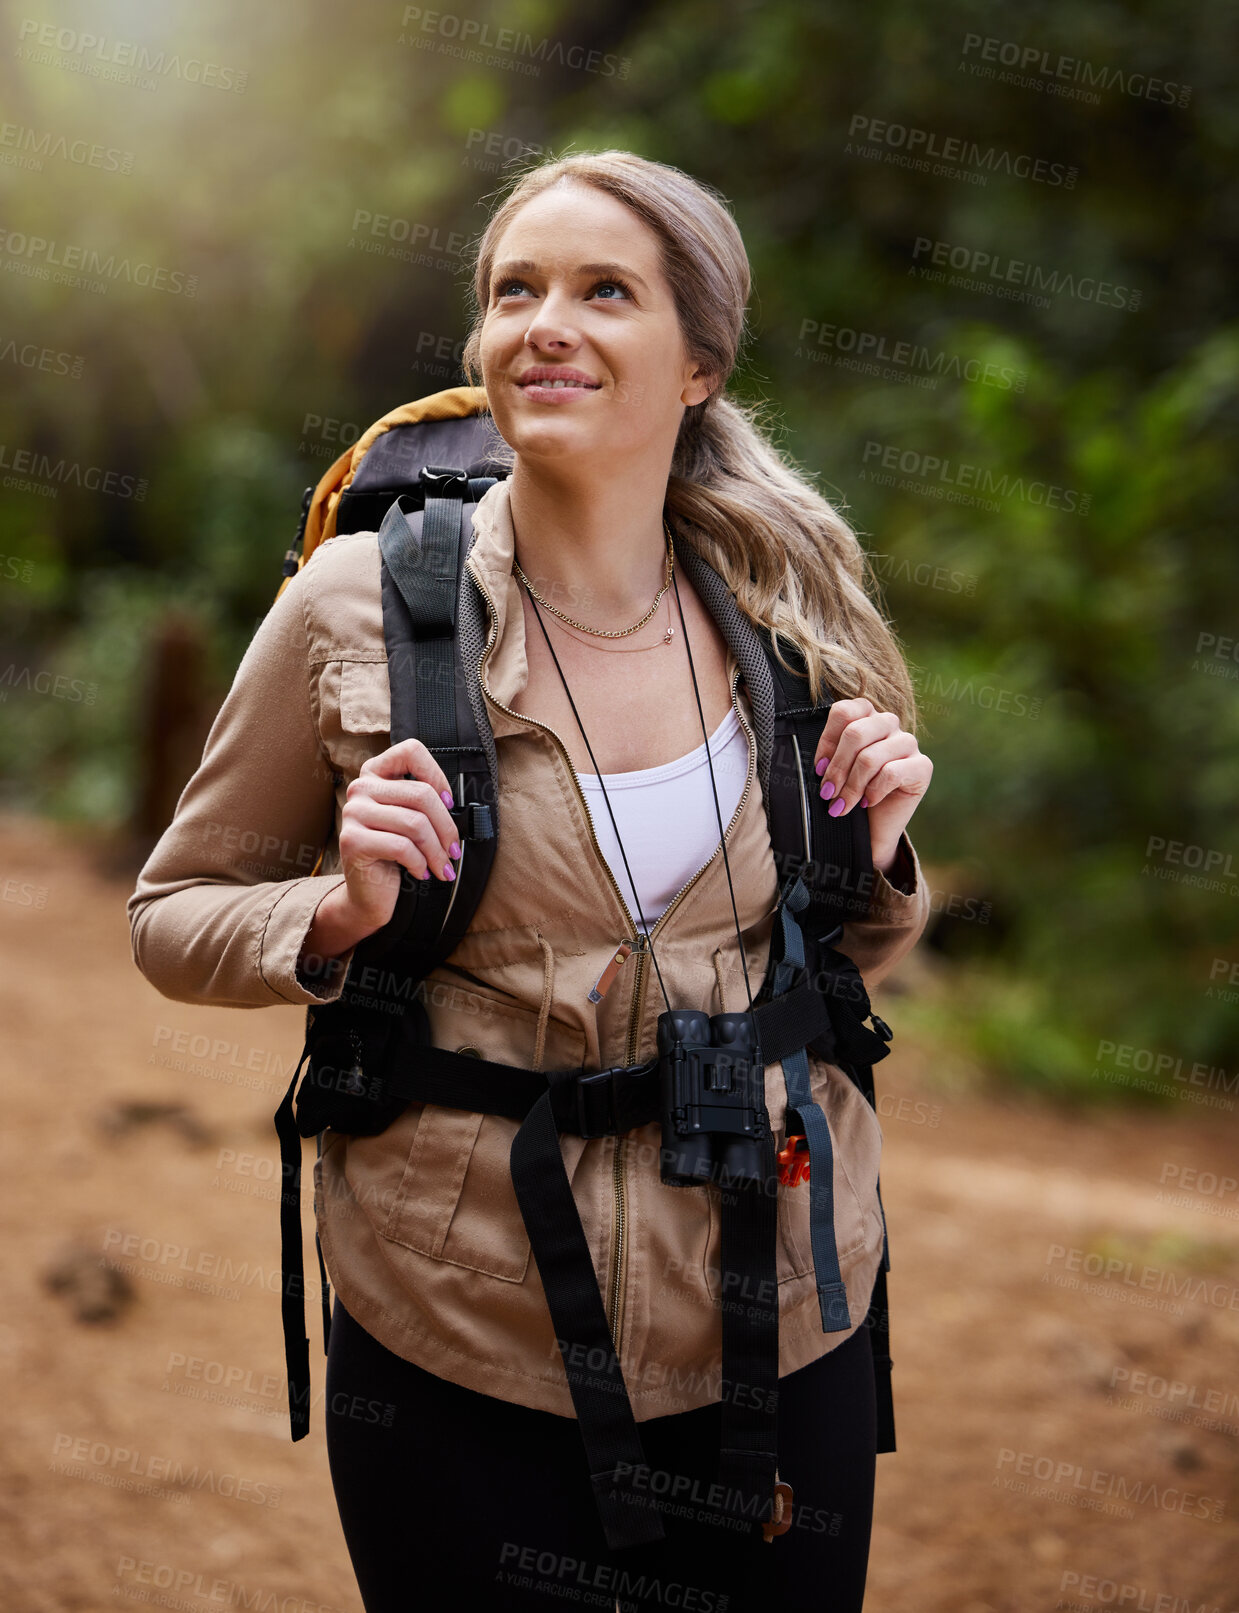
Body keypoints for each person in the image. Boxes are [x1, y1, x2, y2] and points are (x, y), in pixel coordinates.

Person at [128, 149, 933, 1613]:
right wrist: (336, 907)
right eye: (516, 290)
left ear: (698, 363)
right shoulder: (354, 606)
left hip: (778, 1298)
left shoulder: (798, 606)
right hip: (457, 1314)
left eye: (603, 291)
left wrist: (878, 840)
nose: (544, 323)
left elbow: (844, 956)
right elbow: (170, 919)